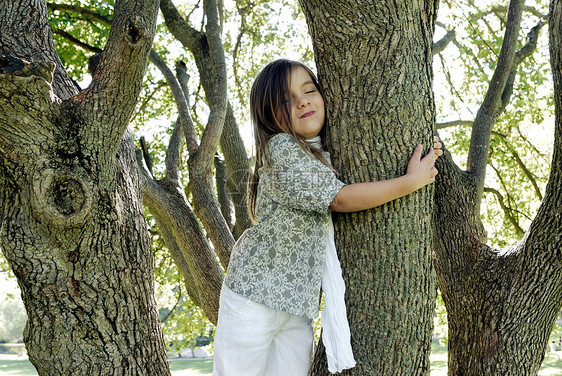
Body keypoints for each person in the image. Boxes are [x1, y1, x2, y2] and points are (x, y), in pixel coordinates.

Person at [213, 59, 442, 376]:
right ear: (268, 114)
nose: (302, 101)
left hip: (296, 306)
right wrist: (409, 182)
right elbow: (339, 197)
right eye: (285, 99)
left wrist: (415, 148)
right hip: (255, 295)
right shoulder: (281, 148)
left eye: (309, 90)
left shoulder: (319, 152)